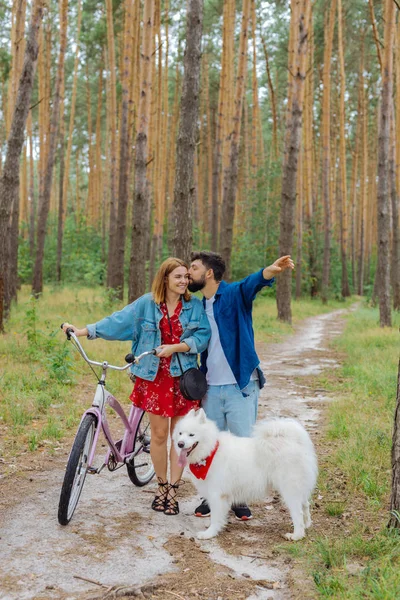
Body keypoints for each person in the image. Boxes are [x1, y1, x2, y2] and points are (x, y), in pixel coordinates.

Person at [62, 257, 211, 516]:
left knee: (180, 438)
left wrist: (175, 347)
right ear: (165, 278)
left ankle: (173, 491)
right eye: (178, 276)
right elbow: (117, 322)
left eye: (186, 277)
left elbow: (202, 336)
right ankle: (161, 487)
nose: (183, 281)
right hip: (153, 378)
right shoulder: (146, 304)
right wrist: (83, 330)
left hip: (182, 379)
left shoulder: (194, 307)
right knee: (159, 434)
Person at [188, 251, 294, 521]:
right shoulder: (197, 307)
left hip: (240, 385)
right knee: (210, 445)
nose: (189, 272)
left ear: (208, 273)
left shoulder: (234, 294)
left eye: (194, 268)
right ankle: (212, 497)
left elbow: (253, 283)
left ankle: (239, 499)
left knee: (243, 445)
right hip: (210, 386)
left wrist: (268, 271)